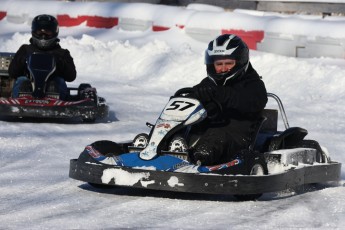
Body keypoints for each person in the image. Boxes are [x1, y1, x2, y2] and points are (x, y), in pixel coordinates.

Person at [189, 34, 268, 166]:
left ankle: (198, 160)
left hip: (237, 137)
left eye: (229, 63)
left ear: (240, 62)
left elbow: (252, 102)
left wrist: (221, 94)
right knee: (181, 130)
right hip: (206, 132)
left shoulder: (253, 84)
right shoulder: (209, 83)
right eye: (219, 64)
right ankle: (161, 150)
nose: (224, 68)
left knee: (217, 136)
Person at [9, 14, 76, 100]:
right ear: (34, 32)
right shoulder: (25, 49)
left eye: (47, 32)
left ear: (55, 32)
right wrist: (21, 61)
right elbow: (12, 73)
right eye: (40, 32)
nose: (43, 36)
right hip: (29, 89)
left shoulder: (62, 53)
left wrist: (62, 63)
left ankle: (55, 104)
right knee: (22, 81)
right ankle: (20, 103)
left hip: (54, 93)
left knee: (57, 82)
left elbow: (71, 77)